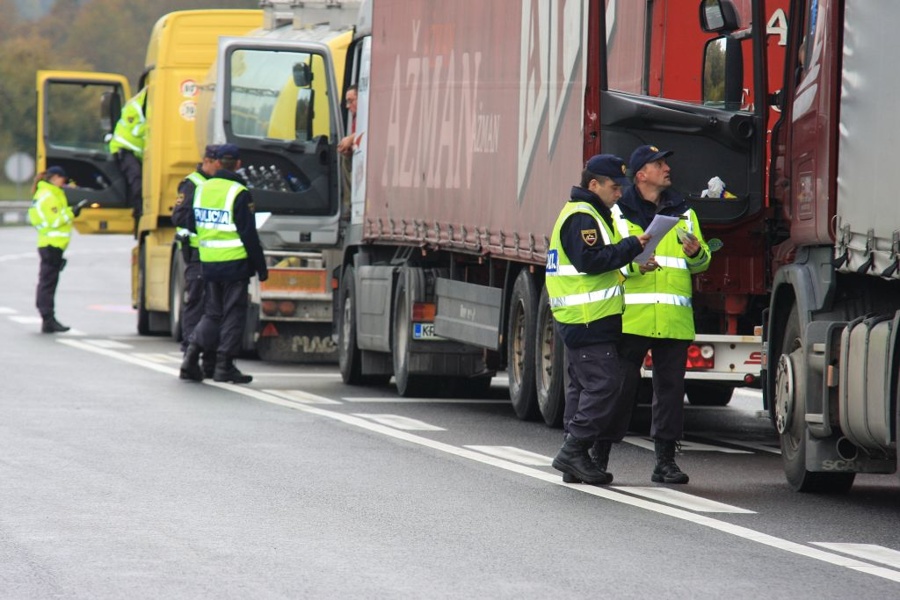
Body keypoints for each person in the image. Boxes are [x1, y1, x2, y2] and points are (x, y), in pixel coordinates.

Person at [547, 154, 650, 485]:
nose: (619, 193)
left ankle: (574, 456)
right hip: (586, 319)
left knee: (583, 386)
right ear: (594, 185)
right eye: (613, 186)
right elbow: (591, 262)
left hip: (588, 318)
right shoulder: (583, 216)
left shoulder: (590, 213)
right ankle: (574, 450)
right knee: (605, 385)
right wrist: (631, 246)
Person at [614, 145, 711, 484]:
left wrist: (698, 253)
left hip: (673, 319)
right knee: (619, 390)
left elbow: (701, 262)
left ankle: (665, 461)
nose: (666, 168)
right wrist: (634, 263)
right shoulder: (619, 213)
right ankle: (597, 453)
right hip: (631, 318)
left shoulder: (683, 212)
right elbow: (607, 261)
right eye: (658, 164)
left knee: (670, 393)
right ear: (641, 174)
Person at [179, 144, 268, 384]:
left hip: (208, 262)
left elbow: (190, 222)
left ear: (218, 163)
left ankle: (191, 356)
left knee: (212, 313)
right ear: (238, 164)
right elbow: (248, 234)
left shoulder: (202, 189)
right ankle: (224, 365)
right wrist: (261, 267)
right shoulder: (239, 192)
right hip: (234, 263)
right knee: (233, 314)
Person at [172, 145, 219, 374]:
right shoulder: (193, 183)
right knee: (196, 305)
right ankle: (189, 352)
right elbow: (179, 215)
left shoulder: (216, 184)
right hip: (198, 255)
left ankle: (209, 358)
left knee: (213, 308)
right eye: (217, 163)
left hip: (215, 256)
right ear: (207, 161)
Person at [28, 166, 86, 333]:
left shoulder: (49, 194)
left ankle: (48, 318)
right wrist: (71, 213)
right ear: (54, 178)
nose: (64, 182)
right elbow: (53, 221)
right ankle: (47, 318)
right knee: (48, 283)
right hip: (51, 245)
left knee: (49, 282)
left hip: (52, 245)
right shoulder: (48, 196)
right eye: (63, 179)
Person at [108, 86, 147, 229]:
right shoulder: (135, 107)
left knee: (139, 184)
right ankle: (139, 216)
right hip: (124, 150)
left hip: (132, 152)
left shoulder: (141, 104)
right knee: (137, 184)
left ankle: (139, 214)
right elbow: (137, 131)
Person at [337, 85, 358, 218]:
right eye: (347, 102)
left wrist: (350, 138)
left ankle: (349, 206)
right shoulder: (356, 119)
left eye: (351, 101)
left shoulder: (371, 115)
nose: (347, 106)